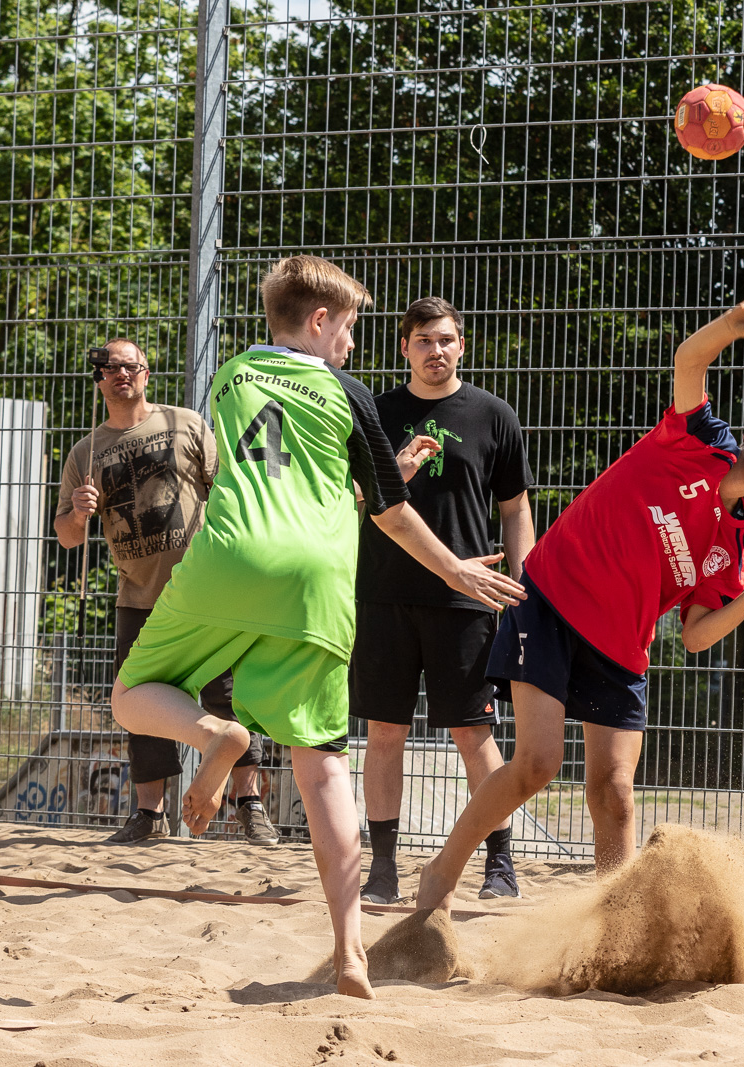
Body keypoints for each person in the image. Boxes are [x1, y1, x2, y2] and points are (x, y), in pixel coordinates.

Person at [109, 255, 526, 998]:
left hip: (229, 557)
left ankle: (214, 736)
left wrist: (380, 465)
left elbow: (286, 462)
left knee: (134, 691)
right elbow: (389, 510)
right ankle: (349, 950)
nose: (354, 344)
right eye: (351, 327)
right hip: (315, 584)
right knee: (323, 762)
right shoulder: (351, 391)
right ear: (321, 321)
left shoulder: (231, 373)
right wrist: (457, 569)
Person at [412, 296, 744, 913]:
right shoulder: (698, 439)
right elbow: (689, 361)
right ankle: (441, 876)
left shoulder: (735, 545)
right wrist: (730, 326)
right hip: (554, 599)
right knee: (536, 764)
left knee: (614, 791)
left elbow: (697, 636)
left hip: (620, 643)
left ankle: (612, 929)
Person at [53, 338, 276, 846]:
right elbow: (67, 536)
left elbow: (227, 491)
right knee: (144, 704)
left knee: (228, 698)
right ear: (99, 379)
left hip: (206, 589)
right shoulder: (86, 452)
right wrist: (79, 512)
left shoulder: (185, 424)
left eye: (130, 366)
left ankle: (249, 804)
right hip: (139, 596)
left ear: (147, 373)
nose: (120, 375)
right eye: (110, 368)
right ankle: (149, 814)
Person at [353, 297, 536, 903]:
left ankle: (500, 863)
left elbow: (514, 509)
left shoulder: (492, 415)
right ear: (404, 347)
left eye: (447, 340)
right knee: (384, 733)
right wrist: (393, 474)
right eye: (425, 341)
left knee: (473, 736)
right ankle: (382, 868)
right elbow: (349, 502)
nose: (437, 351)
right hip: (383, 596)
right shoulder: (375, 413)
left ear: (462, 346)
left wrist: (523, 579)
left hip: (467, 599)